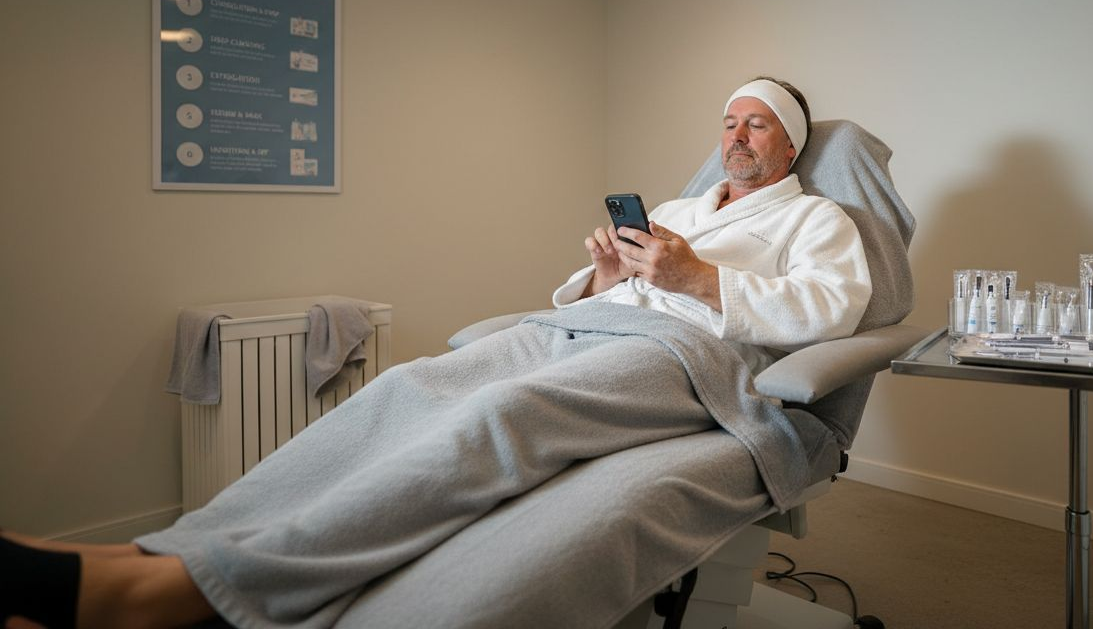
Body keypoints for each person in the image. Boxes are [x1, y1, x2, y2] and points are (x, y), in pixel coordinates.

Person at [0, 76, 872, 629]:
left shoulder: (817, 220)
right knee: (406, 387)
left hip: (690, 356)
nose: (736, 135)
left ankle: (181, 595)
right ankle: (166, 552)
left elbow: (835, 308)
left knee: (505, 414)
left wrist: (699, 282)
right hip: (591, 325)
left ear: (791, 145)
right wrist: (610, 273)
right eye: (728, 121)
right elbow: (601, 288)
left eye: (757, 124)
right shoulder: (680, 213)